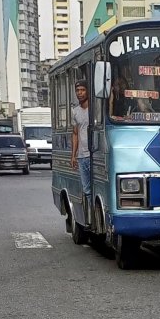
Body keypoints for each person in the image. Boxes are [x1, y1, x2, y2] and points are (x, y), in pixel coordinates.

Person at [71, 80, 92, 224]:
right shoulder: (75, 112)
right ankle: (90, 220)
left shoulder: (95, 109)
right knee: (87, 190)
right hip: (82, 156)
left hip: (94, 155)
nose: (80, 93)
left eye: (83, 90)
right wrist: (73, 155)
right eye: (78, 90)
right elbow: (75, 134)